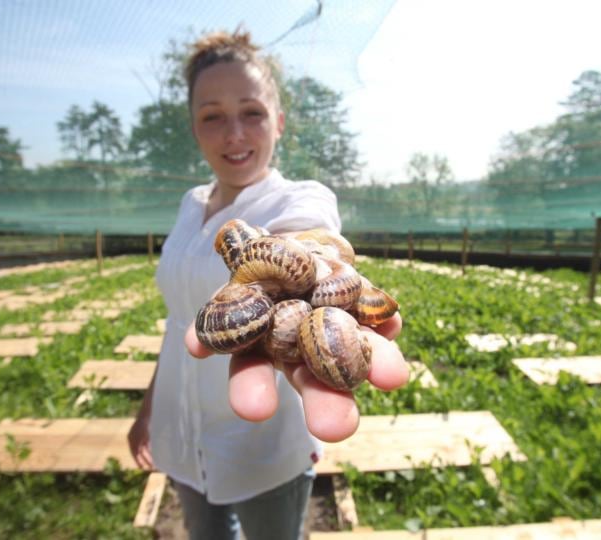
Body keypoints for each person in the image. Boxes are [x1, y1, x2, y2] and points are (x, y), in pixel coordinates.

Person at [126, 28, 408, 540]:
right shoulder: (189, 207)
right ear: (194, 129)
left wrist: (312, 262)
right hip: (180, 434)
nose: (234, 132)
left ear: (278, 122)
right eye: (213, 116)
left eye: (252, 112)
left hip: (261, 445)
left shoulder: (297, 198)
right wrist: (149, 409)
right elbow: (177, 324)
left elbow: (306, 233)